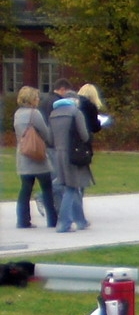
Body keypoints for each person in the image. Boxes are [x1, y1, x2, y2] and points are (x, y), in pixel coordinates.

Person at [48, 87, 93, 233]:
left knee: (69, 187)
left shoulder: (53, 114)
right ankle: (64, 223)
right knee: (72, 187)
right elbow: (84, 135)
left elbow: (49, 139)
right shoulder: (76, 113)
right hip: (72, 154)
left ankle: (81, 220)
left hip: (58, 154)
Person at [13, 86, 58, 228]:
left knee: (25, 189)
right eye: (36, 97)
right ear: (32, 99)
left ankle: (23, 221)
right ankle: (52, 220)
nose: (38, 99)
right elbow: (45, 133)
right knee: (47, 189)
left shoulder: (18, 114)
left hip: (23, 155)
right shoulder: (35, 114)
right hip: (37, 156)